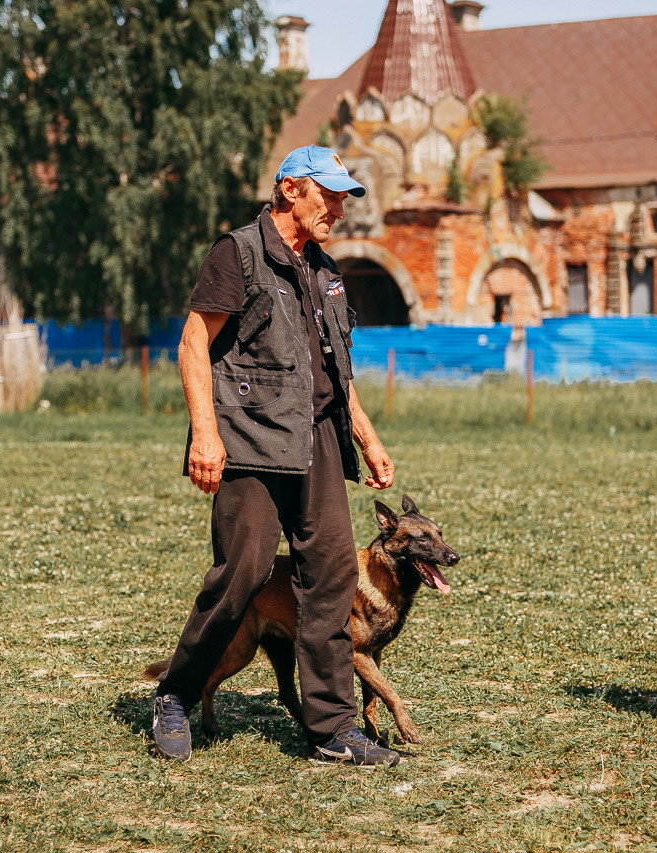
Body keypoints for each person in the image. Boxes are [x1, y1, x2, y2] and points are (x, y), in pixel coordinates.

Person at [153, 146, 398, 765]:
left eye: (345, 197)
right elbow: (191, 345)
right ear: (291, 189)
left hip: (316, 439)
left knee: (333, 573)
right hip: (250, 436)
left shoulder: (326, 272)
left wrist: (365, 436)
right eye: (331, 194)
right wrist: (205, 436)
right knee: (245, 573)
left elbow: (338, 372)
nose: (340, 208)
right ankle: (177, 693)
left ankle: (332, 727)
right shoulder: (237, 254)